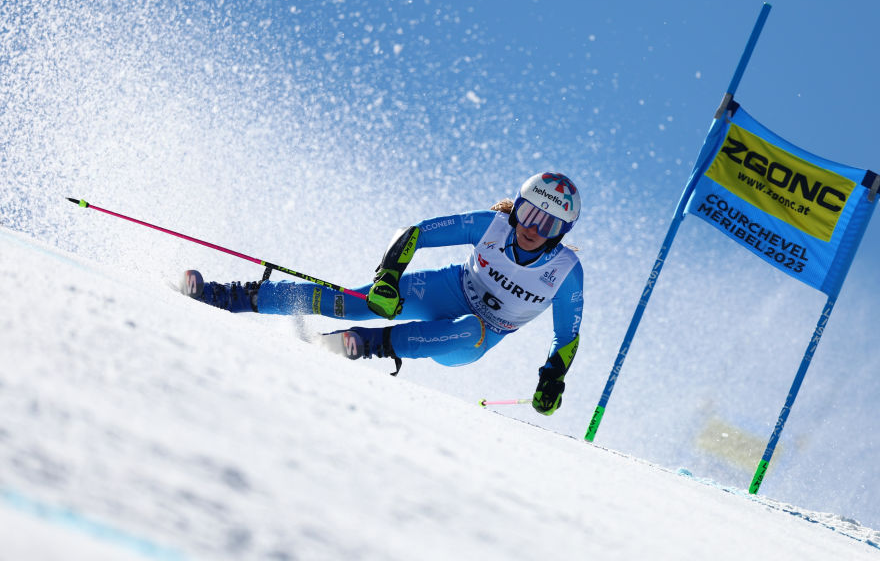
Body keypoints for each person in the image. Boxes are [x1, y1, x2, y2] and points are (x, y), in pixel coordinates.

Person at [182, 172, 584, 416]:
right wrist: (388, 277)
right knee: (349, 303)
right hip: (445, 289)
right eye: (529, 213)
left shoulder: (565, 272)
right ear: (516, 209)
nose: (532, 228)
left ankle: (360, 345)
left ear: (561, 234)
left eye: (547, 225)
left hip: (477, 334)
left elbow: (566, 337)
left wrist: (552, 377)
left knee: (470, 329)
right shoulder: (492, 225)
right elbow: (417, 233)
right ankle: (226, 295)